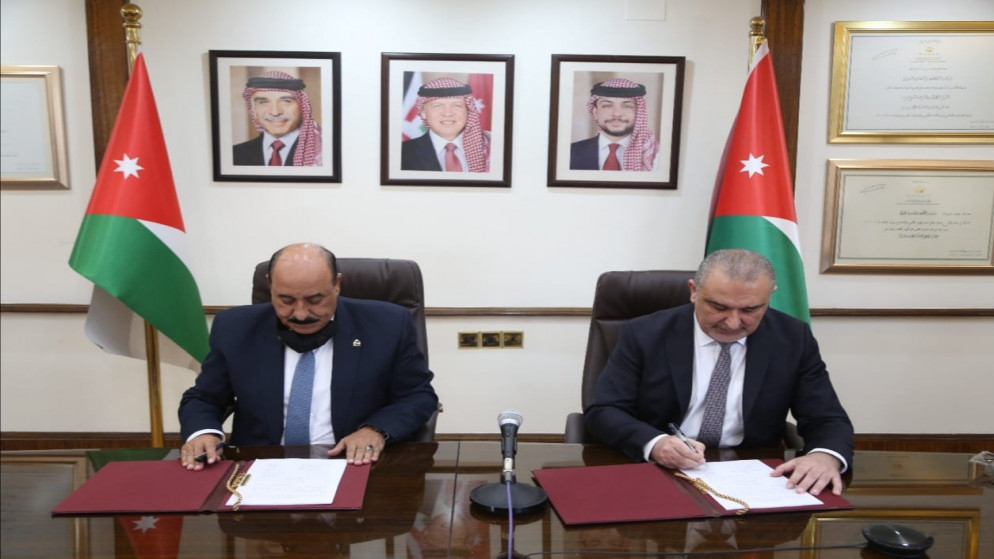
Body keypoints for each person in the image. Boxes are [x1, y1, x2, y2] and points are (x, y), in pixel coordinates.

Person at [584, 249, 854, 496]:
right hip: (657, 472)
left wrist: (825, 456)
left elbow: (826, 417)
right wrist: (655, 443)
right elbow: (604, 410)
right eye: (719, 307)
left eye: (750, 309)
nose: (733, 323)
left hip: (752, 473)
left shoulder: (792, 338)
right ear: (693, 291)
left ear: (770, 295)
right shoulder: (644, 333)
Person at [178, 243, 438, 469]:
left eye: (315, 300)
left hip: (354, 463)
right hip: (259, 466)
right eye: (286, 300)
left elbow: (417, 395)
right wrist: (203, 433)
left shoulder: (387, 324)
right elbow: (204, 397)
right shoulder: (235, 327)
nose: (300, 314)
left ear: (336, 285)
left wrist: (375, 430)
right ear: (270, 286)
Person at [232, 71, 322, 166]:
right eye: (263, 102)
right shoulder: (234, 154)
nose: (275, 112)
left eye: (286, 101)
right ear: (253, 109)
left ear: (302, 107)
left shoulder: (322, 153)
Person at [401, 77, 490, 172]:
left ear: (468, 110)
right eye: (437, 106)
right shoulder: (402, 153)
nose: (448, 113)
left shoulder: (491, 148)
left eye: (457, 105)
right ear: (423, 113)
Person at [569, 78, 659, 171]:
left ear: (639, 113)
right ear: (595, 112)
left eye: (627, 106)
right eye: (607, 106)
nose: (616, 113)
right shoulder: (569, 152)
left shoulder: (656, 156)